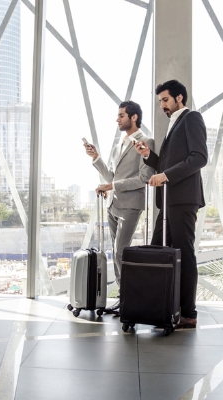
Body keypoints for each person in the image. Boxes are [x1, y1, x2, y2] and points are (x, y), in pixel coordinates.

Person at [133, 79, 207, 328]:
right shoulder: (173, 125)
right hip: (169, 200)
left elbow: (199, 158)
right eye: (160, 101)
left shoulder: (191, 118)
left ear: (179, 98)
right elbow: (166, 164)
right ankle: (160, 306)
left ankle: (189, 313)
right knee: (157, 250)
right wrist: (148, 156)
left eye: (165, 100)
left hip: (183, 199)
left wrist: (166, 176)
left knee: (185, 254)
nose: (162, 105)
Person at [84, 100, 155, 314]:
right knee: (116, 254)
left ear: (133, 117)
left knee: (120, 251)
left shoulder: (146, 141)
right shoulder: (118, 146)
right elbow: (111, 177)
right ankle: (124, 299)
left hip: (131, 205)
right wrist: (96, 158)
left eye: (121, 115)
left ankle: (129, 299)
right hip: (113, 205)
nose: (118, 119)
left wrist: (112, 185)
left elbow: (144, 177)